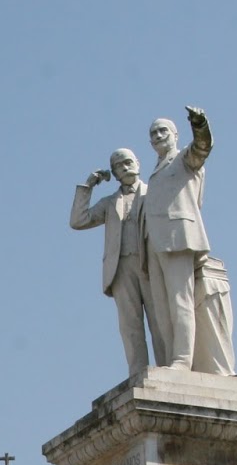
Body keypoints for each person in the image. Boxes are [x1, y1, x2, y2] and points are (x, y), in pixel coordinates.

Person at [141, 106, 235, 375]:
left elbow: (202, 148)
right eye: (153, 133)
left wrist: (200, 124)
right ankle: (169, 358)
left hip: (179, 237)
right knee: (161, 307)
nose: (158, 136)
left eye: (163, 131)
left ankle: (182, 359)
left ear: (175, 135)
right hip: (154, 242)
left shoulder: (184, 159)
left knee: (180, 301)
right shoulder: (156, 170)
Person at [70, 148, 166, 376]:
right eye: (118, 166)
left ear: (138, 163)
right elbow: (78, 220)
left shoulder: (154, 192)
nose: (125, 167)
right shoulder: (110, 202)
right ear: (113, 174)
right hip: (121, 267)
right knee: (130, 324)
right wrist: (88, 186)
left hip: (150, 263)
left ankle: (167, 366)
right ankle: (137, 371)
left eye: (128, 162)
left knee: (160, 319)